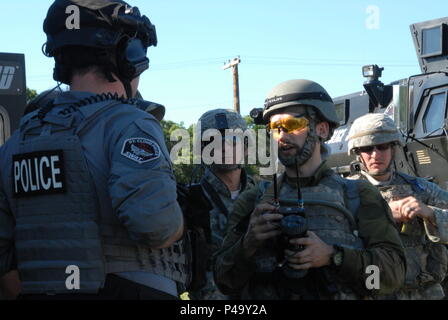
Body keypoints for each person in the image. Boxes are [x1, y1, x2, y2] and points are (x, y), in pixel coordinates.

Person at [0, 0, 187, 300]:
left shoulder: (17, 141)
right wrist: (181, 220)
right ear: (126, 57)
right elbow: (155, 225)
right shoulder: (131, 123)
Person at [213, 79, 406, 300]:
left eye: (293, 125)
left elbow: (391, 277)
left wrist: (335, 257)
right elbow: (225, 282)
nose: (282, 136)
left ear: (322, 129)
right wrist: (248, 243)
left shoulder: (357, 195)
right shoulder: (254, 201)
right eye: (276, 128)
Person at [347, 112, 448, 300]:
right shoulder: (345, 191)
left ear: (394, 148)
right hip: (374, 290)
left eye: (382, 146)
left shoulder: (420, 188)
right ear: (358, 154)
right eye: (367, 148)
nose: (375, 155)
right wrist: (383, 215)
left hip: (424, 291)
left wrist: (430, 213)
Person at [189, 109, 256, 300]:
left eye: (233, 140)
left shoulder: (263, 195)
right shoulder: (191, 200)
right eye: (213, 142)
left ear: (245, 146)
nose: (225, 148)